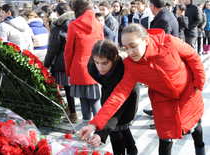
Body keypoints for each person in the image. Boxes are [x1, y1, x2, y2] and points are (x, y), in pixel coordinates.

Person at [79, 24, 206, 155]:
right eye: (126, 48)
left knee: (195, 126)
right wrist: (95, 124)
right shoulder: (131, 65)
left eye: (133, 46)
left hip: (188, 92)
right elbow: (118, 95)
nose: (130, 52)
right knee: (165, 138)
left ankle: (200, 149)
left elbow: (193, 56)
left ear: (145, 40)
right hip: (162, 100)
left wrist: (198, 84)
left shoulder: (168, 42)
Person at [87, 40, 139, 155]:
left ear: (114, 58)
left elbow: (117, 106)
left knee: (117, 127)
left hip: (126, 97)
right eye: (97, 62)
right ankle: (132, 148)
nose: (100, 67)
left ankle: (128, 150)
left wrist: (101, 133)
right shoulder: (92, 66)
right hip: (109, 94)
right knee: (119, 127)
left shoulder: (124, 71)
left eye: (104, 63)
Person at [64, 0, 104, 126]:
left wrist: (68, 69)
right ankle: (99, 130)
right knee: (96, 100)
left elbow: (68, 51)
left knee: (84, 101)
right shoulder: (98, 24)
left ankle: (86, 130)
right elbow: (102, 46)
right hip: (96, 66)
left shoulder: (73, 25)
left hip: (79, 67)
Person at [44, 3, 77, 123]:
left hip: (62, 62)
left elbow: (52, 49)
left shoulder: (57, 28)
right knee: (70, 88)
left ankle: (73, 114)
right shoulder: (76, 23)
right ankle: (71, 110)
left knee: (66, 89)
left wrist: (45, 65)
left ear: (58, 13)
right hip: (75, 61)